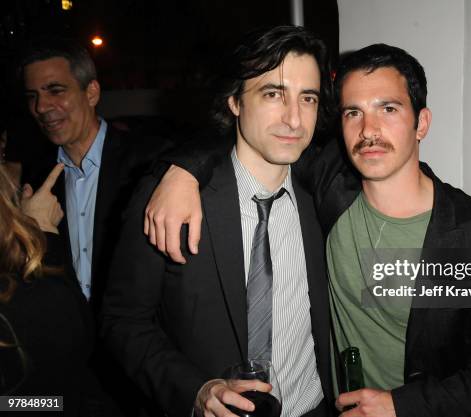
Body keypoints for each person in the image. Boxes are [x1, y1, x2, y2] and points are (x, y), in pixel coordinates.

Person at [144, 43, 471, 417]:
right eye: (354, 112)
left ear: (421, 123)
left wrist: (403, 407)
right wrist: (182, 170)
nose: (368, 130)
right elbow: (253, 135)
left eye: (388, 109)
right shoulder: (328, 186)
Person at [101, 26, 335, 417]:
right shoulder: (169, 200)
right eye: (273, 94)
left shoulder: (322, 197)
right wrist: (196, 389)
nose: (294, 119)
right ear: (235, 102)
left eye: (307, 98)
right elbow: (122, 320)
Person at [17, 38, 175, 416]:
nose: (42, 107)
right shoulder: (34, 177)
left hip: (139, 362)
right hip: (71, 370)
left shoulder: (149, 159)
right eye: (32, 96)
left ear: (92, 91)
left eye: (55, 90)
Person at [0, 164, 112, 416]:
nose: (13, 168)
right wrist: (42, 233)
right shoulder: (37, 303)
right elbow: (50, 395)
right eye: (3, 157)